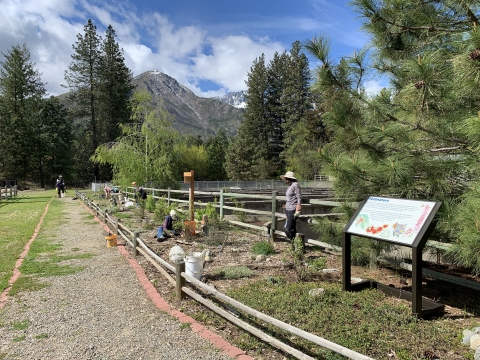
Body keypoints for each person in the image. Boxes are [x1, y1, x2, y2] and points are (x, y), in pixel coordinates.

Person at [280, 171, 301, 242]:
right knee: (292, 229)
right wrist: (286, 205)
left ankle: (295, 242)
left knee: (287, 230)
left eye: (286, 178)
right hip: (288, 209)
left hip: (293, 209)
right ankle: (295, 245)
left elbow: (298, 196)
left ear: (289, 179)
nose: (285, 180)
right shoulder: (290, 186)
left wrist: (298, 205)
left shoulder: (295, 185)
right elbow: (290, 198)